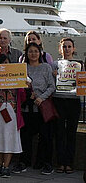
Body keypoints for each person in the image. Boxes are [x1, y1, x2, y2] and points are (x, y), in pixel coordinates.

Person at [12, 42, 55, 175]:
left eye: (36, 51)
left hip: (42, 108)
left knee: (45, 137)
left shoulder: (46, 67)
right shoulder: (22, 68)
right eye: (30, 51)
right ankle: (24, 161)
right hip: (27, 108)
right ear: (26, 53)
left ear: (40, 53)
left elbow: (51, 86)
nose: (33, 54)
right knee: (25, 137)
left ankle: (45, 163)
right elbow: (17, 85)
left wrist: (41, 97)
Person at [0, 54, 26, 178]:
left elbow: (23, 97)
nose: (5, 65)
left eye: (7, 63)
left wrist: (23, 86)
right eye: (2, 63)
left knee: (10, 138)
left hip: (12, 112)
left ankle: (6, 166)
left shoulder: (16, 77)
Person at [52, 38, 83, 174]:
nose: (67, 49)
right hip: (58, 100)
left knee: (71, 133)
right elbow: (51, 83)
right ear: (60, 49)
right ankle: (60, 162)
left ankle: (69, 163)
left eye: (69, 46)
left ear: (73, 49)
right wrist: (54, 76)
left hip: (73, 101)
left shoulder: (80, 64)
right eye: (64, 47)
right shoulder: (55, 64)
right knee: (59, 132)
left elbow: (83, 84)